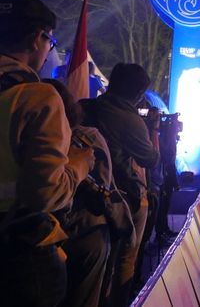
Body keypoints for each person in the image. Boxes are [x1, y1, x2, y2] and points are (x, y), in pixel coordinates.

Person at [0, 0, 95, 306]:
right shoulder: (36, 98)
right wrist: (80, 164)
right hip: (19, 255)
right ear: (35, 39)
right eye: (50, 42)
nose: (48, 51)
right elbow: (45, 195)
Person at [80, 63, 160, 306]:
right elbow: (151, 158)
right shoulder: (130, 119)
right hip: (125, 197)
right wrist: (154, 129)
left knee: (95, 265)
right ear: (137, 94)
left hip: (86, 194)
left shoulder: (85, 106)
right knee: (126, 256)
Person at [45, 78, 118, 307]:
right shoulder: (88, 138)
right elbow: (105, 183)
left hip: (45, 237)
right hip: (84, 232)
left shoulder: (26, 138)